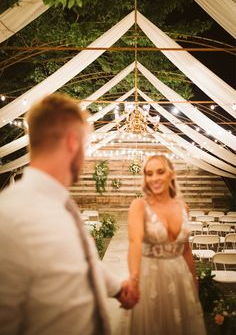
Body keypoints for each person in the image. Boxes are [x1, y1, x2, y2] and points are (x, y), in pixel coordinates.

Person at [0, 93, 136, 335]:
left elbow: (80, 261)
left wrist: (116, 287)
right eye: (87, 145)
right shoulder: (10, 216)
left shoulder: (60, 202)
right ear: (74, 142)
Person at [126, 154, 206, 335]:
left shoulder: (183, 207)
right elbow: (134, 243)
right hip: (150, 277)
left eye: (160, 172)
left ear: (171, 174)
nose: (154, 178)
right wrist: (134, 278)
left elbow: (185, 250)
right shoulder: (139, 206)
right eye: (149, 173)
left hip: (179, 277)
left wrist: (194, 283)